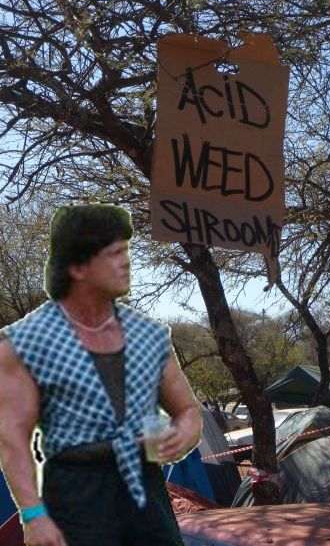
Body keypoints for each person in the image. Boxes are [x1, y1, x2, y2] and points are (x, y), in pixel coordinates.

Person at [0, 203, 202, 546]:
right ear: (77, 266)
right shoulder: (23, 344)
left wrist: (182, 434)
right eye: (114, 254)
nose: (126, 262)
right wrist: (33, 515)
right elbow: (12, 438)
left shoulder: (150, 336)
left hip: (146, 490)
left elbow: (188, 410)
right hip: (76, 494)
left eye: (126, 250)